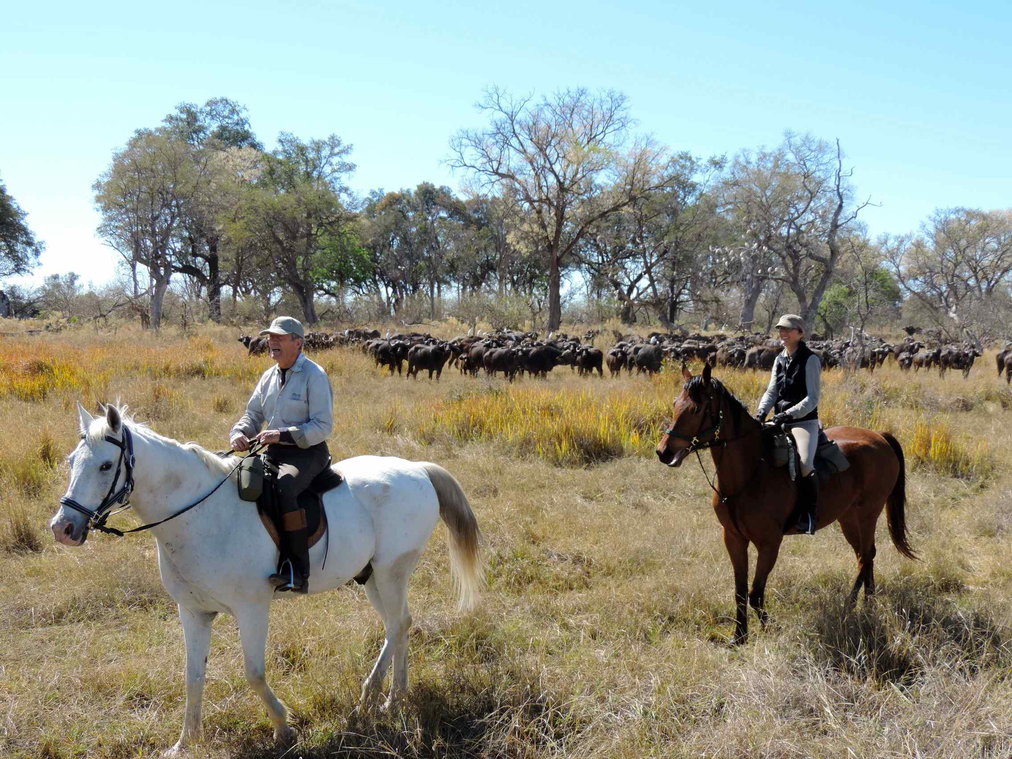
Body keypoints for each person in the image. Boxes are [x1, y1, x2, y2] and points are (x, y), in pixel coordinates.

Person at [230, 316, 334, 592]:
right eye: (270, 337)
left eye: (279, 337)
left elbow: (323, 426)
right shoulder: (269, 375)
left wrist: (283, 434)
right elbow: (252, 414)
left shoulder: (315, 375)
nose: (271, 342)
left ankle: (296, 570)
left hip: (308, 453)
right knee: (240, 482)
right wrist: (239, 433)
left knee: (285, 485)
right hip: (273, 451)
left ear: (297, 343)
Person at [755, 314, 822, 535]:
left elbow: (812, 398)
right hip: (778, 419)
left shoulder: (810, 359)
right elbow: (772, 391)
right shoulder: (779, 358)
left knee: (804, 463)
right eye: (781, 329)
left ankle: (809, 515)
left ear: (800, 333)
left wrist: (788, 414)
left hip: (804, 422)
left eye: (788, 330)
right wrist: (762, 411)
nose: (783, 333)